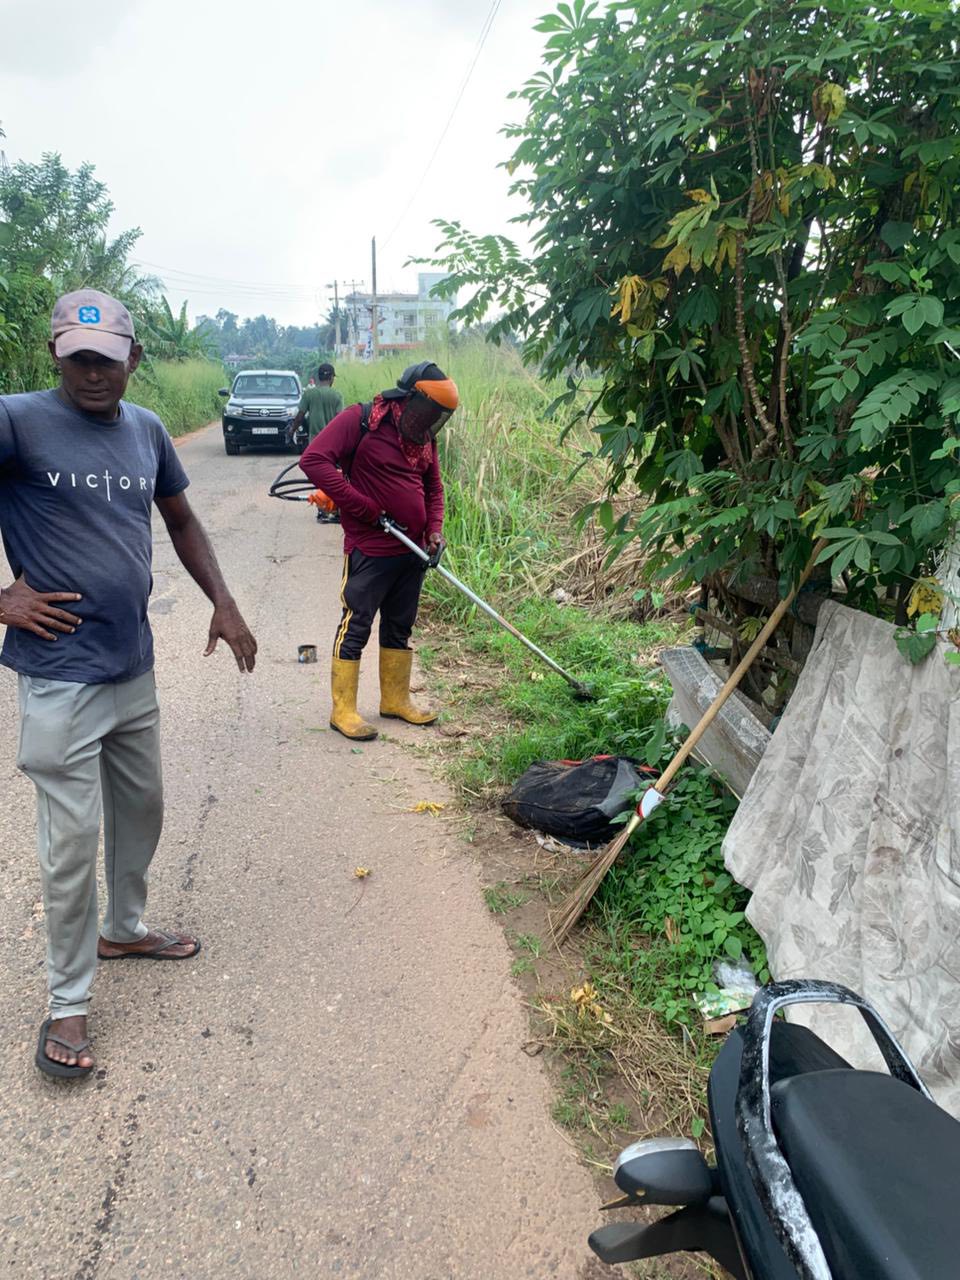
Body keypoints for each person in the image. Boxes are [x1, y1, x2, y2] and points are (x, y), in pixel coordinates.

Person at [0, 289, 258, 1080]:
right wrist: (0, 599)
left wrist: (223, 601)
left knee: (142, 811)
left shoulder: (145, 429)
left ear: (133, 359)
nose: (93, 374)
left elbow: (180, 520)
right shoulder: (16, 421)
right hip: (59, 678)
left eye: (107, 360)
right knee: (71, 844)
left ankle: (125, 928)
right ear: (55, 354)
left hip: (130, 667)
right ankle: (68, 1002)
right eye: (78, 359)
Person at [299, 361, 458, 741]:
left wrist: (434, 531)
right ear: (410, 399)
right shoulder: (363, 420)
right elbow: (314, 461)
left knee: (399, 626)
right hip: (371, 548)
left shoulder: (423, 437)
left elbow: (433, 489)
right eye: (429, 411)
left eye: (439, 416)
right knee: (356, 624)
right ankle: (343, 710)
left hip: (412, 551)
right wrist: (362, 506)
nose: (431, 421)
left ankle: (395, 700)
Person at [291, 364, 344, 521]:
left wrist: (291, 431)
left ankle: (323, 510)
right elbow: (341, 420)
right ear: (331, 377)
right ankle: (334, 510)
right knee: (336, 477)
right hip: (334, 444)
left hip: (315, 444)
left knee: (321, 477)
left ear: (319, 377)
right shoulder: (337, 395)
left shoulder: (309, 394)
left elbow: (300, 416)